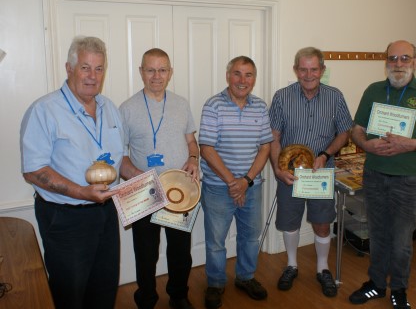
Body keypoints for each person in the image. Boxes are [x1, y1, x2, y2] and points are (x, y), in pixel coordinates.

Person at [20, 36, 125, 309]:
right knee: (71, 292)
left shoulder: (110, 109)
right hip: (65, 217)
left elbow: (118, 161)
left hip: (105, 212)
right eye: (85, 67)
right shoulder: (45, 110)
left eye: (99, 68)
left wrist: (148, 181)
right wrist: (82, 192)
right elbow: (33, 170)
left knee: (105, 286)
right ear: (69, 68)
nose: (93, 76)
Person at [349, 40, 416, 309]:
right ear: (385, 62)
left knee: (401, 240)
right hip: (374, 175)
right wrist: (365, 143)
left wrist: (414, 144)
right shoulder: (373, 90)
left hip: (408, 180)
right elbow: (356, 129)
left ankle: (399, 289)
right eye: (393, 58)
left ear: (415, 62)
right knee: (377, 234)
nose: (398, 64)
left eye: (404, 58)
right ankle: (376, 284)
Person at [119, 48, 199, 309]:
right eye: (150, 70)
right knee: (145, 253)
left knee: (179, 251)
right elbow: (121, 157)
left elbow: (191, 142)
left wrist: (193, 159)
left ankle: (178, 295)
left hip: (178, 189)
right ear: (141, 72)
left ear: (170, 72)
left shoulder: (181, 103)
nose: (157, 75)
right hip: (143, 192)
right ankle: (146, 299)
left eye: (162, 69)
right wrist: (140, 178)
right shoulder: (127, 108)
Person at [269, 47, 353, 297]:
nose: (308, 74)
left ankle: (322, 269)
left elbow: (345, 132)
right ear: (296, 70)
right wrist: (277, 169)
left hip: (321, 174)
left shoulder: (335, 96)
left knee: (322, 223)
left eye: (313, 69)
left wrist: (326, 154)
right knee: (290, 222)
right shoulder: (282, 97)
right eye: (303, 69)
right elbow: (273, 137)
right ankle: (292, 265)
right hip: (289, 174)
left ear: (322, 70)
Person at [199, 56, 273, 309]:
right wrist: (234, 183)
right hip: (218, 188)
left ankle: (245, 277)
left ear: (254, 78)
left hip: (251, 186)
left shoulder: (260, 107)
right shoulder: (213, 106)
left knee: (250, 238)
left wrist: (246, 181)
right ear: (228, 76)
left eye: (249, 75)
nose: (243, 80)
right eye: (238, 74)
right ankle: (216, 283)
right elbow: (206, 149)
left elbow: (265, 147)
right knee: (216, 241)